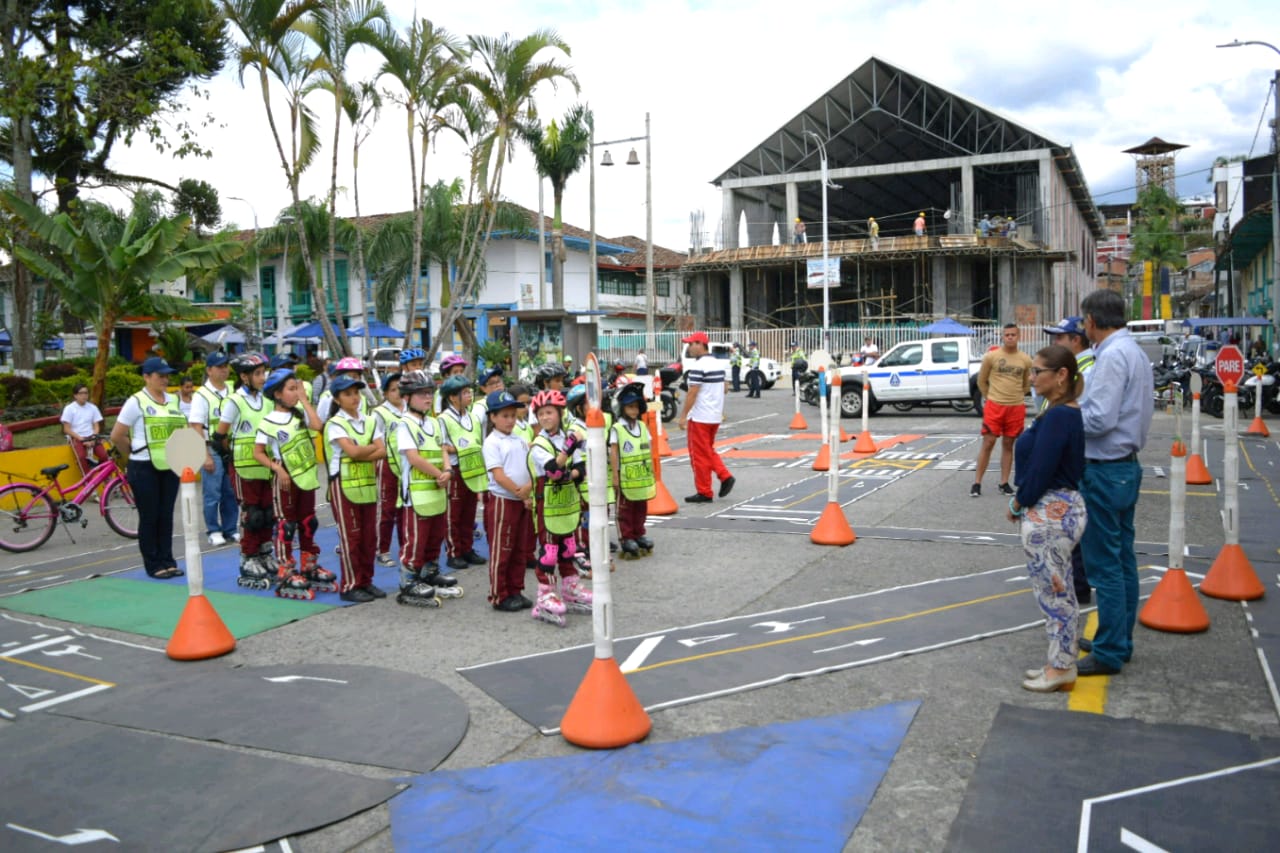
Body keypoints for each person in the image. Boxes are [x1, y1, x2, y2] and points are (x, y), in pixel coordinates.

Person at [1077, 289, 1153, 677]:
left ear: (1091, 320)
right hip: (1125, 466)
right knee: (1123, 559)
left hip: (1104, 468)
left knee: (1104, 565)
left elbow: (1099, 419)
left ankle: (1108, 650)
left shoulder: (1111, 356)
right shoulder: (1135, 352)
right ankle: (1119, 639)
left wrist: (1063, 421)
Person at [1007, 345, 1088, 693]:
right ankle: (1058, 660)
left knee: (1054, 594)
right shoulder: (1058, 411)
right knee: (1056, 589)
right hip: (1056, 509)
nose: (1032, 377)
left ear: (1061, 376)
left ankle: (1061, 667)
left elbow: (1042, 468)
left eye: (1038, 371)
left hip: (1052, 511)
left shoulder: (1058, 416)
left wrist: (1018, 502)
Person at [252, 368, 336, 599]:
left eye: (296, 388)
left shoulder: (299, 414)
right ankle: (286, 570)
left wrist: (304, 399)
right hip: (285, 476)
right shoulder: (269, 421)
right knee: (286, 525)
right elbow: (258, 452)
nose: (295, 393)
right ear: (277, 394)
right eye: (291, 389)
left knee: (308, 522)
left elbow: (318, 426)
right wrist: (278, 469)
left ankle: (309, 564)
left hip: (306, 476)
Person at [108, 357, 185, 579]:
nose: (165, 379)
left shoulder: (173, 400)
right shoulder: (136, 401)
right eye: (160, 375)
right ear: (146, 377)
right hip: (144, 467)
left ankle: (168, 560)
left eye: (166, 375)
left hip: (169, 465)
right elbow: (117, 435)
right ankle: (153, 564)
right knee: (150, 516)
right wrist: (132, 454)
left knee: (166, 515)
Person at [391, 370, 460, 608]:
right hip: (417, 495)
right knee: (416, 540)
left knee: (435, 535)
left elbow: (443, 449)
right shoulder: (404, 424)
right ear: (408, 397)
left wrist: (448, 470)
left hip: (437, 492)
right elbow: (413, 457)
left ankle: (430, 572)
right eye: (421, 394)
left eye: (430, 393)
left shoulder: (433, 422)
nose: (428, 398)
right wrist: (439, 473)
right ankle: (409, 581)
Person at [527, 389, 593, 626]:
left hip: (568, 504)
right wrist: (567, 451)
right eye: (541, 413)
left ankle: (570, 587)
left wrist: (567, 467)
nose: (545, 417)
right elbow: (554, 472)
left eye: (550, 412)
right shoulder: (539, 444)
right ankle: (545, 595)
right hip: (547, 507)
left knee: (569, 548)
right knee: (549, 552)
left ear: (560, 414)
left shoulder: (566, 437)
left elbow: (580, 472)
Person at [1042, 316, 1097, 604]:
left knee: (1070, 527)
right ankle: (1076, 582)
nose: (1054, 342)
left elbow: (1080, 418)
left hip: (1071, 457)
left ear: (1076, 340)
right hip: (1067, 452)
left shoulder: (1085, 368)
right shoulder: (1073, 368)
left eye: (1060, 338)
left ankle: (1078, 585)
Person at [324, 374, 387, 603]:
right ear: (337, 399)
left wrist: (364, 449)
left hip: (368, 484)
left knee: (370, 537)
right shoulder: (335, 424)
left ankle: (366, 581)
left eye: (356, 393)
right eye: (347, 394)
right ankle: (350, 584)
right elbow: (353, 453)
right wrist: (368, 449)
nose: (354, 398)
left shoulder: (370, 420)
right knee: (352, 538)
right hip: (343, 486)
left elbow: (383, 451)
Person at [216, 353, 277, 587]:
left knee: (267, 512)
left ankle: (265, 552)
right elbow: (219, 435)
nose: (263, 378)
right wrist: (228, 458)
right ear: (244, 376)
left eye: (264, 373)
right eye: (258, 374)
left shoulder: (267, 400)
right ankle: (248, 556)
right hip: (244, 467)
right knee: (252, 515)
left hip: (265, 465)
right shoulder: (235, 401)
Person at [483, 389, 534, 612]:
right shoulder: (492, 442)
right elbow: (499, 474)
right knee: (502, 549)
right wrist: (519, 491)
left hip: (521, 499)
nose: (510, 420)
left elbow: (529, 467)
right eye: (504, 416)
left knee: (519, 549)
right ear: (493, 417)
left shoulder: (520, 440)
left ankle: (516, 589)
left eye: (513, 415)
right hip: (504, 500)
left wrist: (528, 490)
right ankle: (499, 594)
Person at [972, 325, 1032, 498]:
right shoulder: (992, 357)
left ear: (1018, 336)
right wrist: (990, 397)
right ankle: (977, 482)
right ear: (1002, 337)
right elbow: (982, 381)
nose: (1010, 337)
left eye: (1013, 335)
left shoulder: (1025, 359)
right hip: (994, 406)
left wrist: (1018, 395)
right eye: (1007, 335)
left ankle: (1004, 482)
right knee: (988, 442)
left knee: (1008, 444)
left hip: (1015, 407)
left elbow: (1026, 384)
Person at [437, 374, 489, 571]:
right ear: (452, 397)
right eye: (464, 392)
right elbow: (443, 446)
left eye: (469, 392)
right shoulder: (443, 419)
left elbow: (478, 442)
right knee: (453, 514)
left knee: (469, 512)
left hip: (473, 467)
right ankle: (454, 552)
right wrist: (462, 449)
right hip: (456, 469)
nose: (469, 395)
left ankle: (467, 548)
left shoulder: (473, 417)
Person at [676, 331, 735, 503]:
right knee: (707, 450)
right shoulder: (717, 364)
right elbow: (725, 388)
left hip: (700, 416)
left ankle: (707, 489)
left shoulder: (698, 366)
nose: (688, 348)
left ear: (700, 344)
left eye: (691, 344)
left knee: (699, 455)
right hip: (714, 415)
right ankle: (720, 479)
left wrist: (683, 416)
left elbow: (692, 393)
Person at [189, 352, 239, 546]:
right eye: (219, 366)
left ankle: (230, 529)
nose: (224, 369)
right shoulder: (201, 395)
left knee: (231, 492)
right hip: (211, 448)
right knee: (212, 493)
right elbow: (196, 426)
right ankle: (213, 530)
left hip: (231, 448)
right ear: (209, 370)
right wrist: (205, 455)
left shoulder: (233, 390)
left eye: (226, 365)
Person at [610, 382, 655, 558]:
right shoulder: (618, 428)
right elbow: (613, 452)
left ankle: (639, 533)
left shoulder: (642, 427)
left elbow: (648, 449)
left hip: (641, 477)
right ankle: (626, 537)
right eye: (630, 407)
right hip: (625, 478)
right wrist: (615, 475)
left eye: (636, 407)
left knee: (641, 507)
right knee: (625, 509)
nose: (634, 411)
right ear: (622, 408)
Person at [370, 372, 406, 568]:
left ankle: (404, 547)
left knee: (404, 508)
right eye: (393, 389)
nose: (398, 392)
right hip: (387, 465)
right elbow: (377, 441)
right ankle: (382, 549)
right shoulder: (380, 413)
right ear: (385, 393)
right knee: (388, 508)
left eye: (400, 387)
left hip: (406, 464)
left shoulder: (409, 408)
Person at [61, 383, 107, 476]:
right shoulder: (69, 409)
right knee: (81, 457)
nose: (84, 395)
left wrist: (93, 437)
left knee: (104, 455)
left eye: (86, 393)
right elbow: (66, 429)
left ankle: (104, 476)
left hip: (91, 436)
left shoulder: (92, 407)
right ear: (75, 395)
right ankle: (88, 480)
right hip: (77, 436)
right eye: (81, 393)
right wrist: (80, 438)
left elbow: (96, 426)